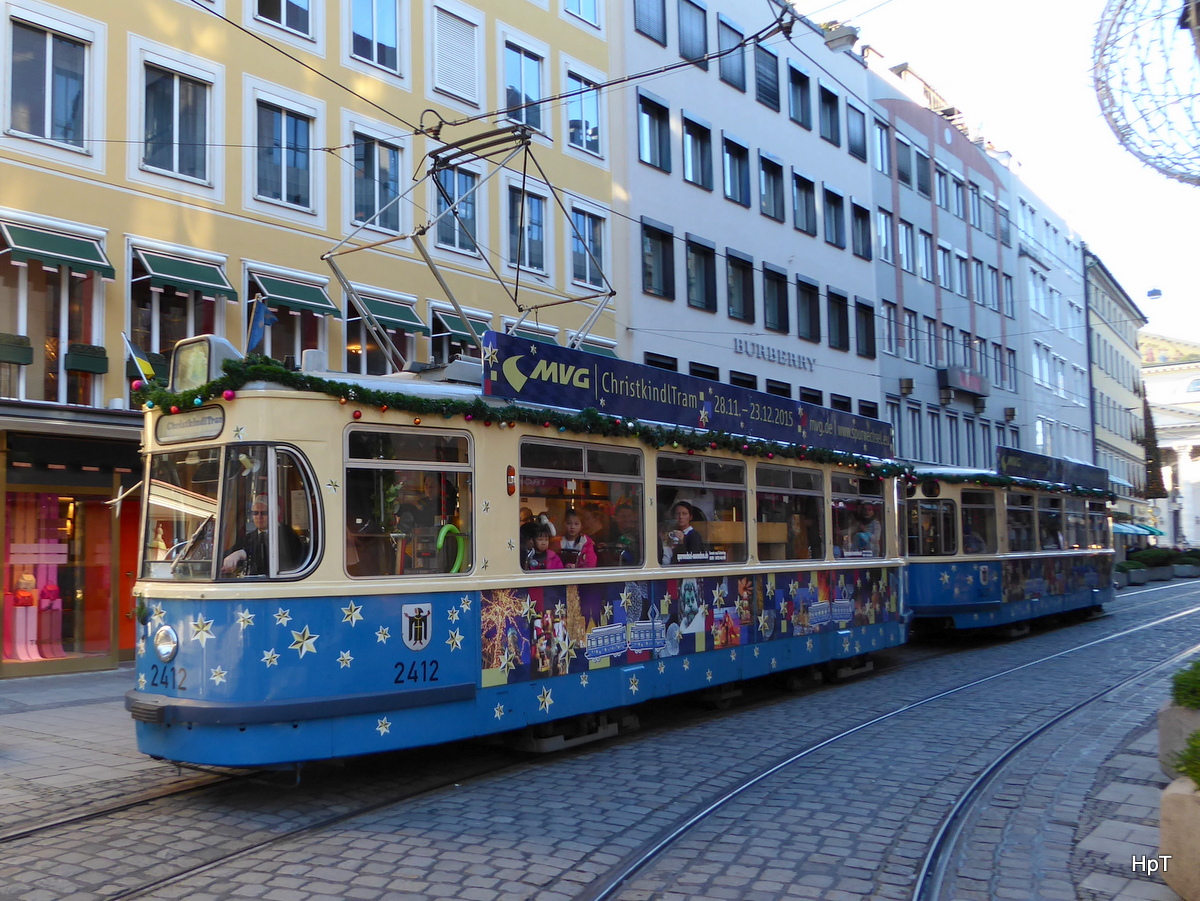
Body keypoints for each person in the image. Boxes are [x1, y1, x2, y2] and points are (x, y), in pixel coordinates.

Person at [222, 495, 303, 575]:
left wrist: (242, 553)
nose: (259, 517)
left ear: (274, 514)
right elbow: (231, 553)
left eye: (264, 513)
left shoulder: (286, 533)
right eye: (255, 513)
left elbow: (270, 555)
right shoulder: (249, 537)